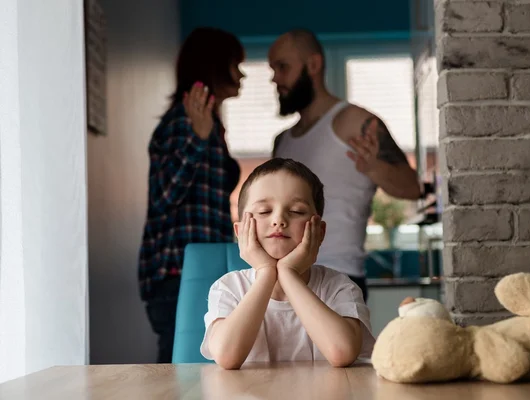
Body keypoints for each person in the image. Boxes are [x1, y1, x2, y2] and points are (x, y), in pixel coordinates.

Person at [269, 30, 422, 301]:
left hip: (339, 278)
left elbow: (412, 188)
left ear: (313, 65)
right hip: (283, 278)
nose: (275, 78)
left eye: (282, 67)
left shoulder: (355, 122)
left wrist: (374, 168)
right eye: (273, 69)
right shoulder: (281, 141)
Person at [200, 158, 375, 369]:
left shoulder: (339, 287)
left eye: (297, 211)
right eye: (264, 211)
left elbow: (342, 352)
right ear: (240, 232)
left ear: (319, 232)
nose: (279, 220)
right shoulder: (228, 288)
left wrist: (288, 274)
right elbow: (227, 357)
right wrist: (266, 272)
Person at [138, 27, 245, 363]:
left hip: (196, 272)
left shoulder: (209, 125)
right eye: (234, 64)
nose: (240, 73)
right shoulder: (182, 123)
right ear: (214, 66)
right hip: (178, 276)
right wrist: (197, 139)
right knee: (181, 375)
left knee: (199, 371)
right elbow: (164, 198)